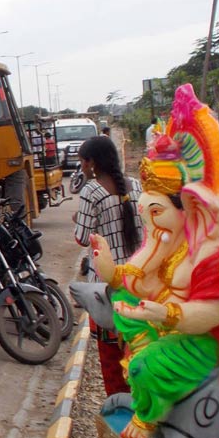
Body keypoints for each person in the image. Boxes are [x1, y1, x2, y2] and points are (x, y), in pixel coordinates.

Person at [73, 135, 143, 396]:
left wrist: (79, 219)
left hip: (105, 286)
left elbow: (82, 238)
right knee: (139, 345)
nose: (81, 167)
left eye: (82, 161)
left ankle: (118, 406)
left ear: (92, 163)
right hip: (137, 281)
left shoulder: (91, 191)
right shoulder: (134, 185)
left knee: (111, 356)